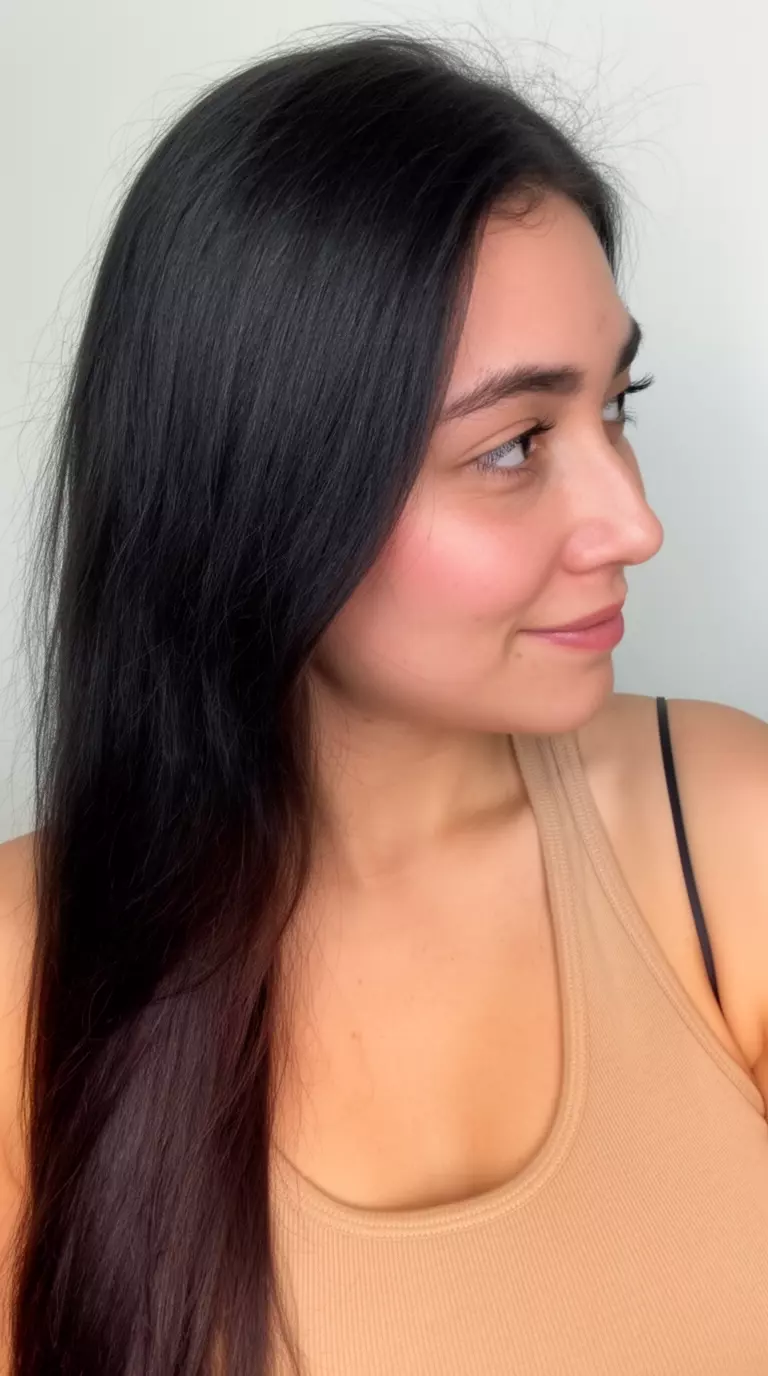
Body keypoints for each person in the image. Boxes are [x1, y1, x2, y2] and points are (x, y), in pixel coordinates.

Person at [0, 26, 766, 1376]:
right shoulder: (26, 978)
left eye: (616, 405)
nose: (632, 523)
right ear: (262, 491)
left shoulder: (729, 839)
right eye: (514, 445)